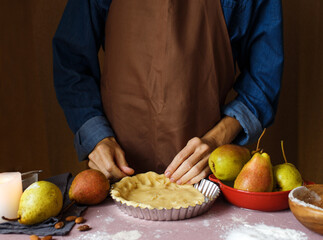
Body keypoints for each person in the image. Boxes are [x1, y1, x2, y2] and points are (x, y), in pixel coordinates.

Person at [53, 0, 284, 185]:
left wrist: (217, 139)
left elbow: (263, 77)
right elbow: (71, 60)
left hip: (208, 177)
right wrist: (97, 139)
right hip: (114, 175)